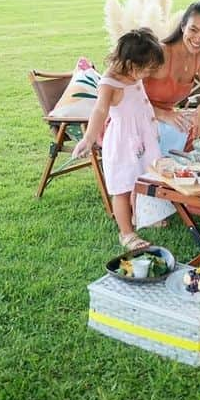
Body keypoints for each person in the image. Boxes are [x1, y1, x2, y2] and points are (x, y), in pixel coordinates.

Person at [72, 27, 165, 250]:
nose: (149, 73)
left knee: (146, 178)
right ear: (132, 63)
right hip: (123, 143)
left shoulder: (133, 75)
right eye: (147, 69)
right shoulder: (110, 83)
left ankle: (145, 215)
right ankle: (126, 233)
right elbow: (100, 111)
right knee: (122, 187)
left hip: (143, 138)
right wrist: (88, 138)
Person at [144, 0, 200, 152]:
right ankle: (182, 165)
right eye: (193, 30)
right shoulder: (159, 53)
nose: (198, 39)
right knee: (197, 130)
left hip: (168, 118)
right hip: (140, 117)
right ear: (183, 26)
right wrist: (164, 115)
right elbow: (126, 97)